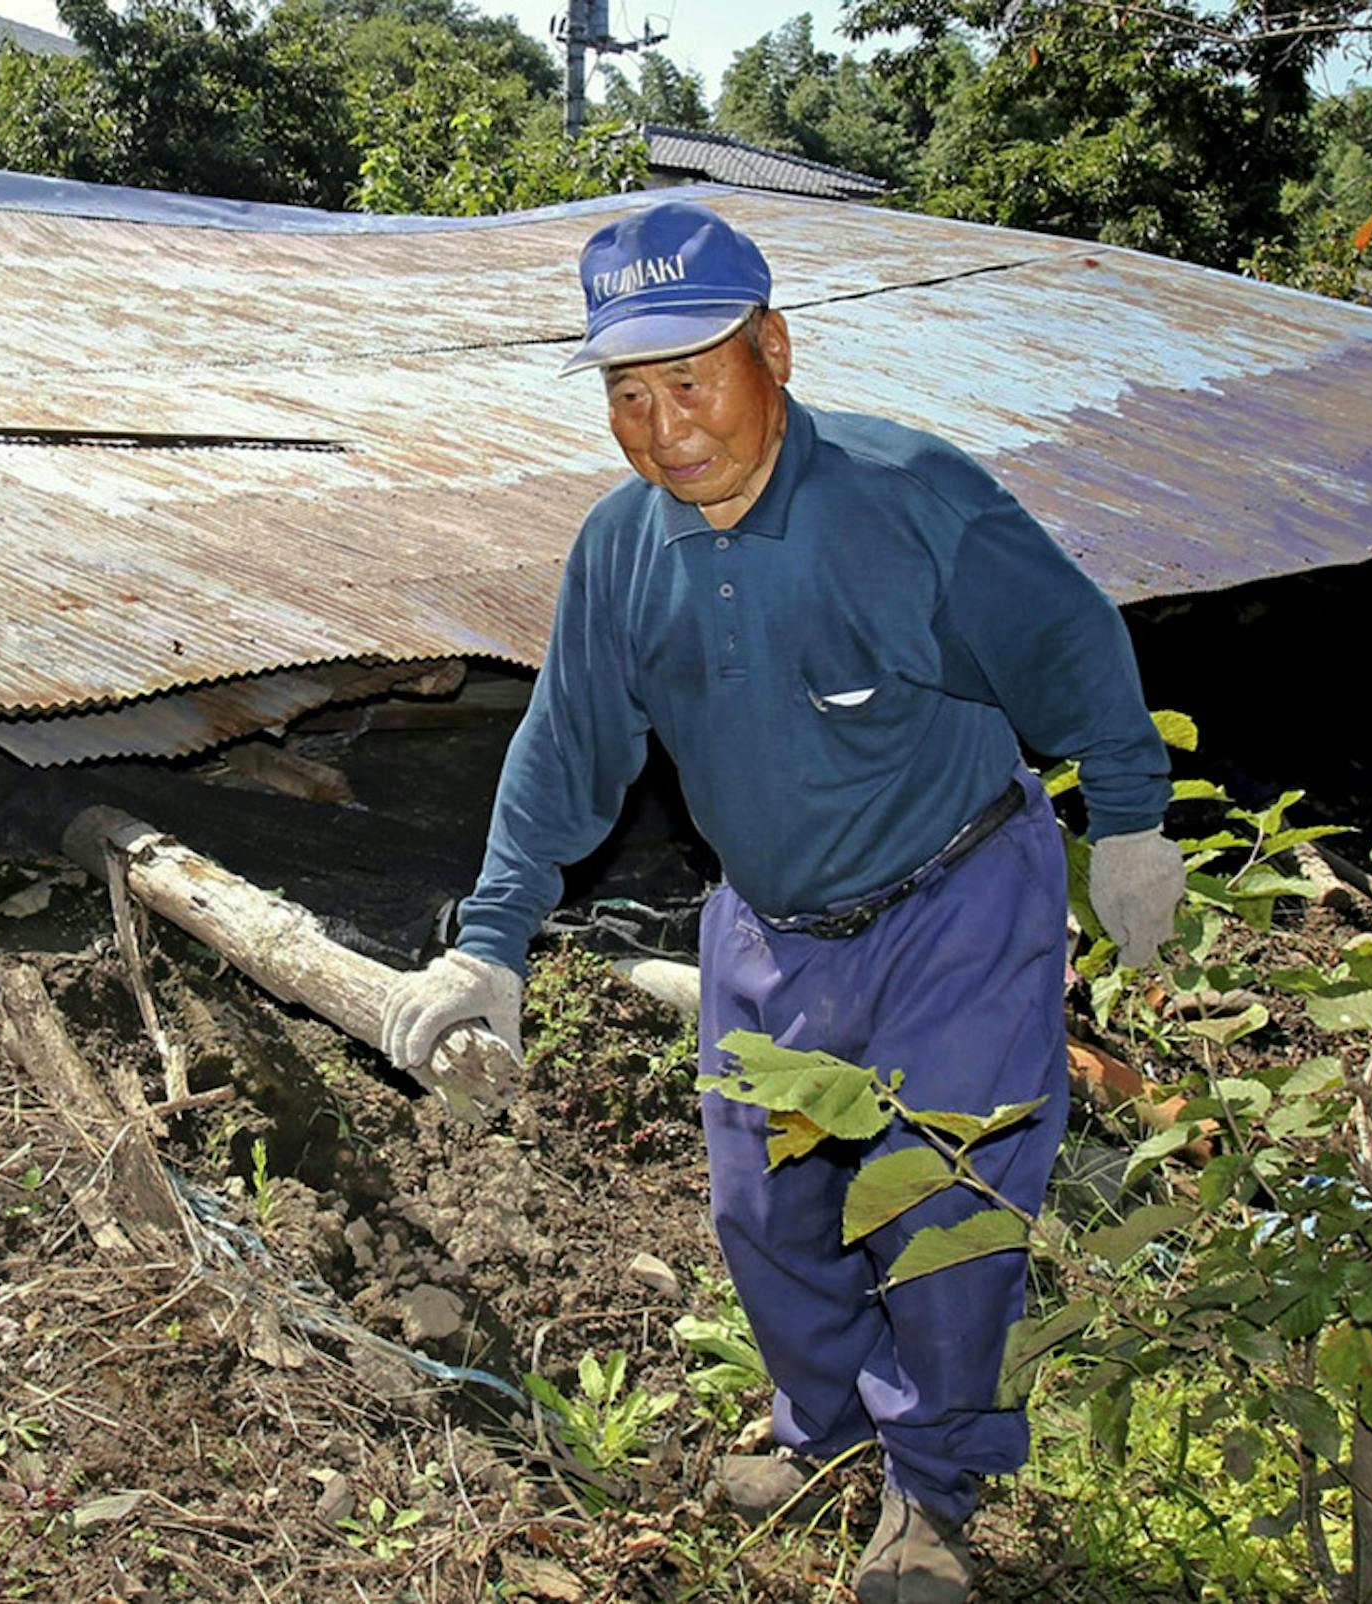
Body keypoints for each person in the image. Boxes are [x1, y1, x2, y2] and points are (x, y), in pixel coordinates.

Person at [380, 201, 1185, 1604]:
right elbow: (567, 752)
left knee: (941, 1206)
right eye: (629, 391)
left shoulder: (911, 500)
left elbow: (1071, 643)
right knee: (769, 1213)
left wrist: (1128, 823)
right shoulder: (624, 551)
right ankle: (827, 1434)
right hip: (768, 927)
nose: (663, 422)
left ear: (774, 350)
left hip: (956, 904)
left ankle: (931, 1496)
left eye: (691, 376)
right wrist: (493, 941)